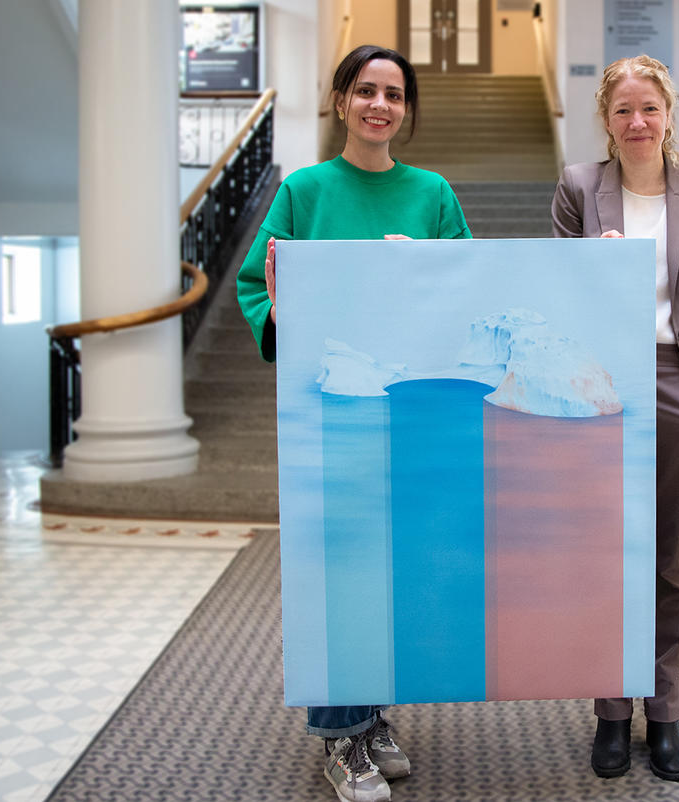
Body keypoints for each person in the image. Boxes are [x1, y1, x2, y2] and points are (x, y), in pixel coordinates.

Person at [235, 44, 472, 802]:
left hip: (410, 408)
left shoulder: (432, 193)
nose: (379, 105)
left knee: (390, 568)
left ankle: (368, 719)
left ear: (407, 110)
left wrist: (423, 272)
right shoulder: (303, 191)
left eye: (394, 95)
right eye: (365, 91)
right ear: (341, 101)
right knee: (339, 565)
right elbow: (255, 283)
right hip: (332, 407)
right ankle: (340, 738)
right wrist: (284, 318)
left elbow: (468, 287)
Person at [550, 54, 679, 783]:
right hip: (604, 386)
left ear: (670, 117)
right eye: (623, 110)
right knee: (605, 553)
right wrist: (592, 272)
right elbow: (560, 296)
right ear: (605, 119)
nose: (638, 122)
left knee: (670, 560)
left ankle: (664, 710)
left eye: (650, 109)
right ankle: (609, 712)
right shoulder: (578, 188)